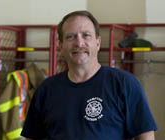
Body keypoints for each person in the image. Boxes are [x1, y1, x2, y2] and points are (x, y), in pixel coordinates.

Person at [21, 10, 158, 140]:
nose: (79, 43)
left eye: (86, 35)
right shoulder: (46, 90)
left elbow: (145, 136)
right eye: (71, 37)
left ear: (97, 43)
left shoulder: (124, 84)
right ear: (61, 46)